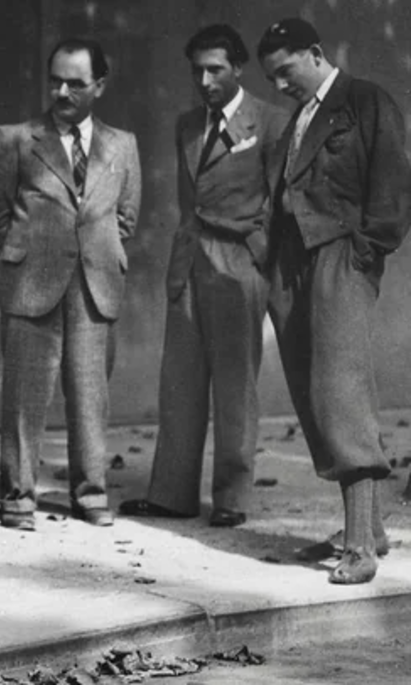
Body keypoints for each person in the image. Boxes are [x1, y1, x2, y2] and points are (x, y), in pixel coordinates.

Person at [257, 18, 411, 584]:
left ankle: (360, 550)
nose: (278, 85)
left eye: (285, 71)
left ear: (315, 53)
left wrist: (365, 253)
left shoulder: (364, 100)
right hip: (293, 267)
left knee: (340, 391)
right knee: (310, 390)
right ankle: (366, 528)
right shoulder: (298, 118)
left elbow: (394, 183)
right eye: (270, 77)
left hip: (341, 258)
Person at [119, 25, 288, 528]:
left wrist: (257, 252)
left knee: (236, 387)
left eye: (215, 68)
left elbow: (280, 202)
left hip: (239, 266)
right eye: (197, 70)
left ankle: (233, 499)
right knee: (180, 383)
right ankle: (173, 495)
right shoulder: (189, 125)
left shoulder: (272, 122)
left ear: (238, 68)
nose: (205, 79)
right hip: (190, 262)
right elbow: (188, 202)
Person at [0, 38, 142, 530]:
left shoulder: (122, 145)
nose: (62, 91)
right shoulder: (17, 138)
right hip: (32, 284)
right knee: (25, 399)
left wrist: (97, 248)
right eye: (55, 80)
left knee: (91, 397)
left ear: (100, 86)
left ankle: (90, 494)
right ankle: (18, 498)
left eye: (75, 82)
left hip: (95, 286)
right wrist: (30, 248)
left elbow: (126, 218)